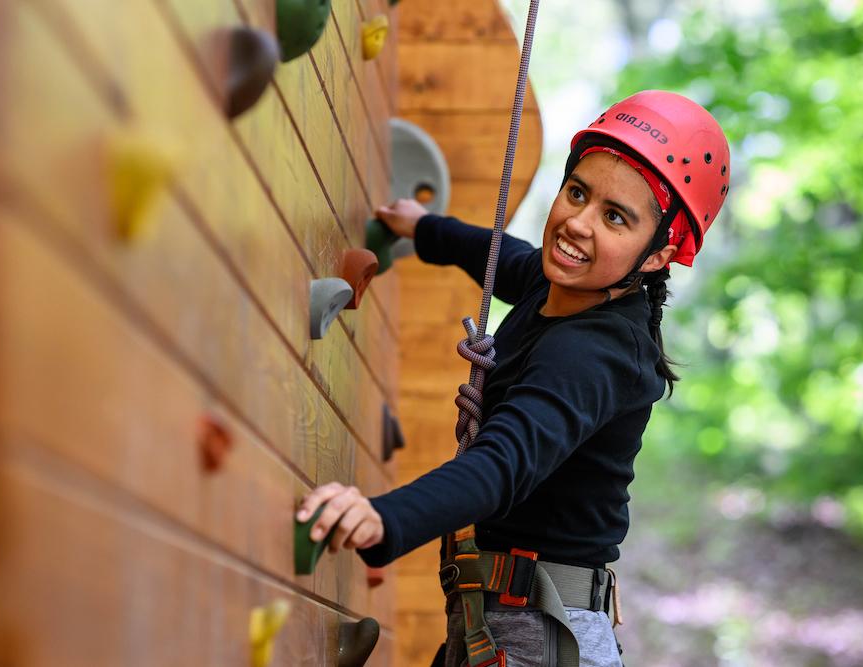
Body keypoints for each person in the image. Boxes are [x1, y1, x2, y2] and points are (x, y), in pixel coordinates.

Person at [295, 90, 731, 667]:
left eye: (615, 217)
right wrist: (427, 228)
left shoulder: (594, 352)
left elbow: (504, 463)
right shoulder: (560, 288)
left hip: (538, 636)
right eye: (577, 192)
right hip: (508, 621)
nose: (577, 223)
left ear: (659, 253)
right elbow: (505, 258)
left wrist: (384, 517)